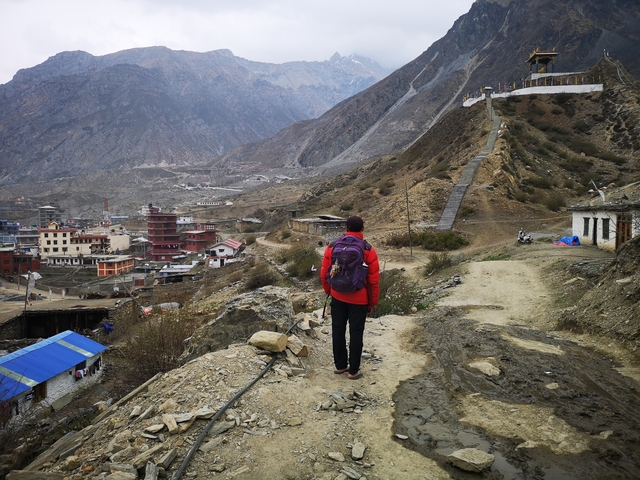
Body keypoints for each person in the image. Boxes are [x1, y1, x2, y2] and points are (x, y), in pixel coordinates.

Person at [321, 215, 380, 380]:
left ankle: (340, 366)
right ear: (362, 229)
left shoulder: (332, 246)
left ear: (346, 228)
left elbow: (324, 272)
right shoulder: (368, 249)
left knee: (338, 330)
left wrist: (329, 291)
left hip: (338, 296)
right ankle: (353, 370)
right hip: (359, 299)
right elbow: (373, 281)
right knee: (356, 333)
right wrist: (372, 302)